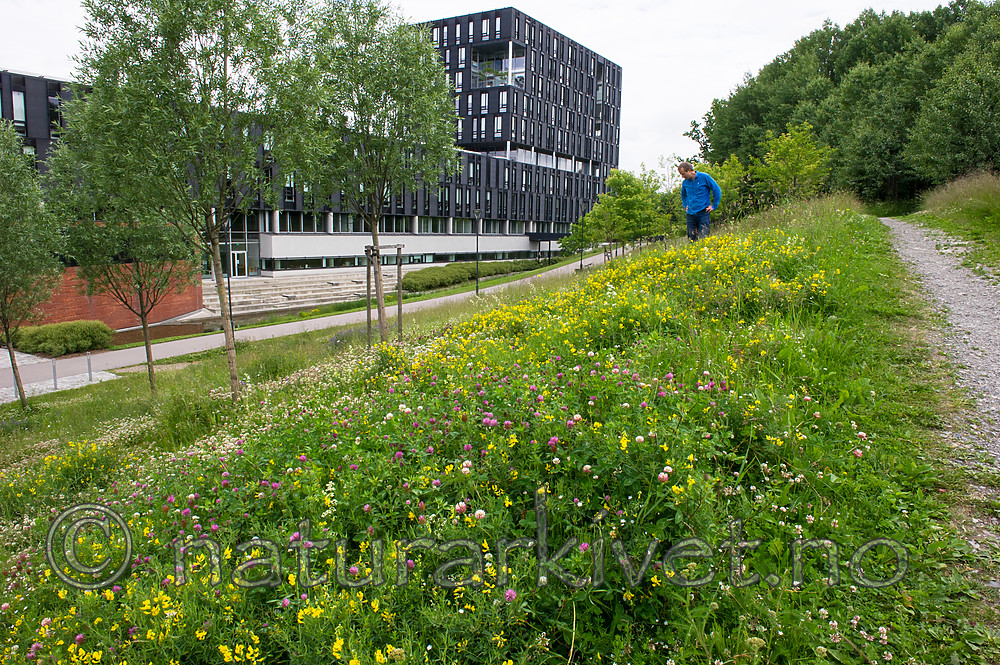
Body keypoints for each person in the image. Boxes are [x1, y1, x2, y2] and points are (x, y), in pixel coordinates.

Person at [677, 162, 722, 241]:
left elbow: (716, 190)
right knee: (691, 239)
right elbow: (683, 195)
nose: (682, 176)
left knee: (704, 237)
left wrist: (714, 206)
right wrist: (685, 205)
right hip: (690, 213)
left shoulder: (704, 177)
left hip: (703, 212)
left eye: (683, 174)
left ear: (690, 170)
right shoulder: (685, 183)